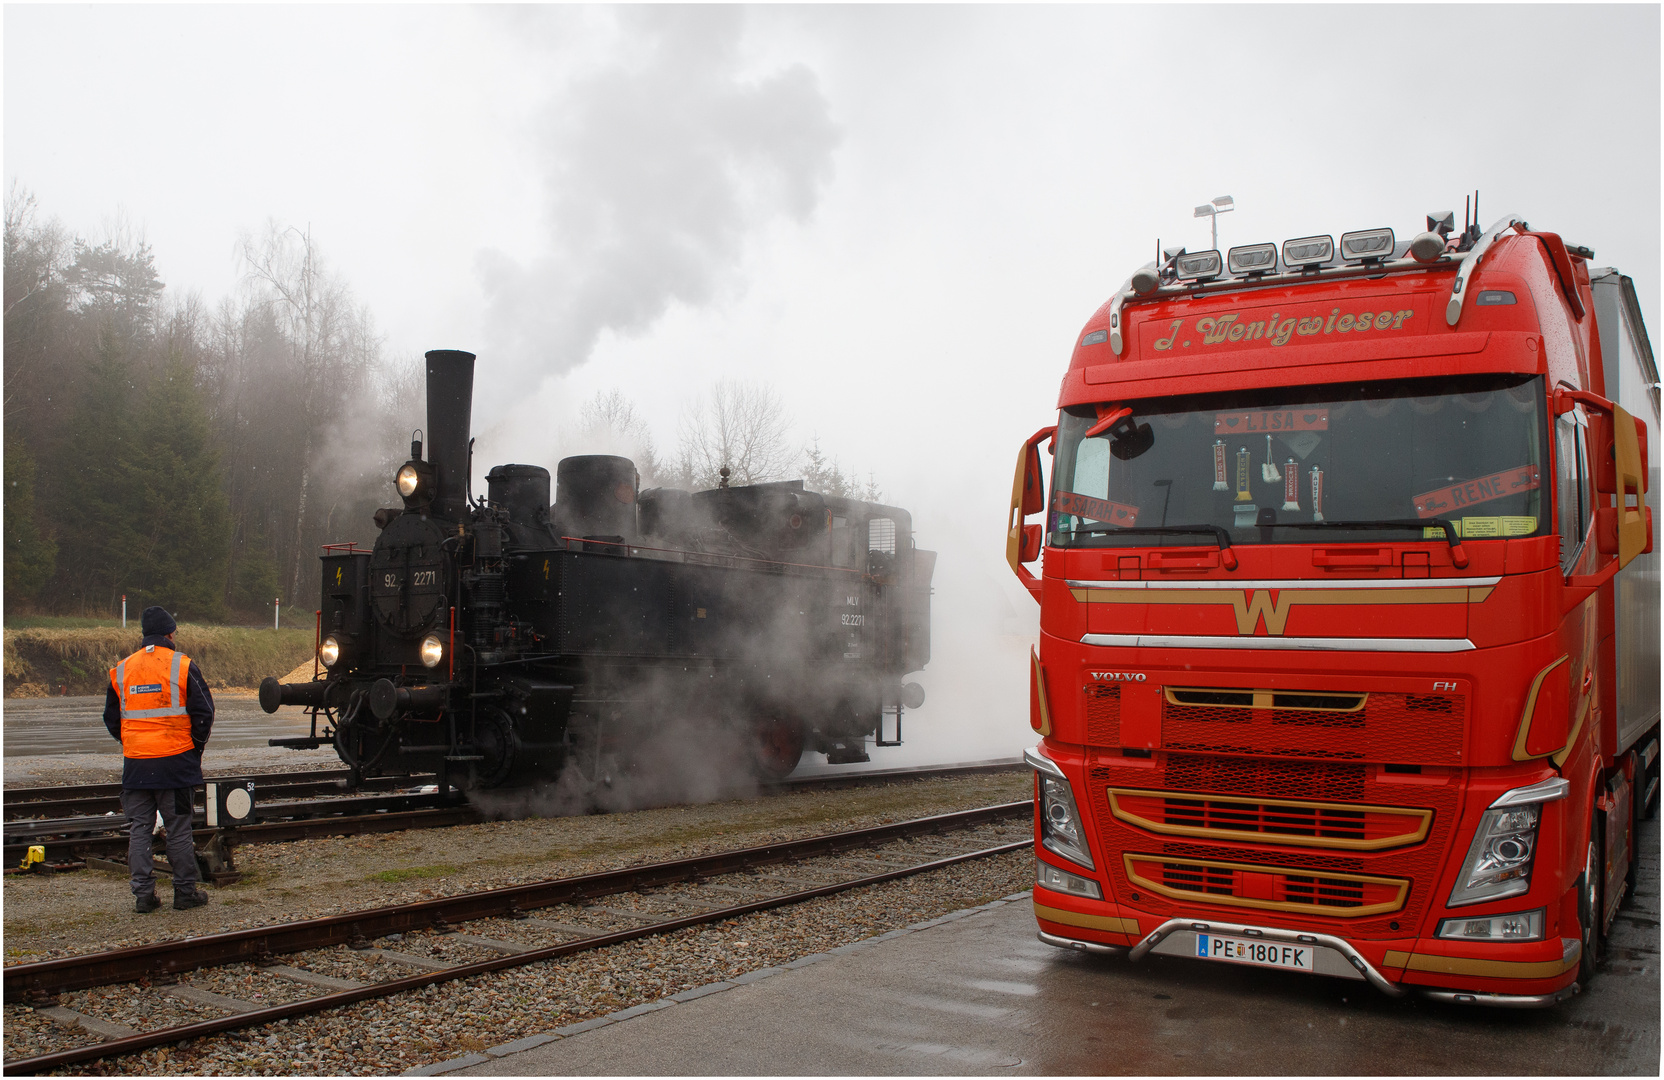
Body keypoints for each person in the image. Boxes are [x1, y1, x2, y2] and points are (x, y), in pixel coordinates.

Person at [104, 606, 215, 912]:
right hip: (176, 763)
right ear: (170, 634)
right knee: (178, 828)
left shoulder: (123, 669)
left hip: (137, 765)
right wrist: (194, 750)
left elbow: (111, 719)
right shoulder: (182, 665)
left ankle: (143, 896)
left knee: (140, 828)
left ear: (144, 635)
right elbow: (204, 712)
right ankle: (184, 892)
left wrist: (134, 742)